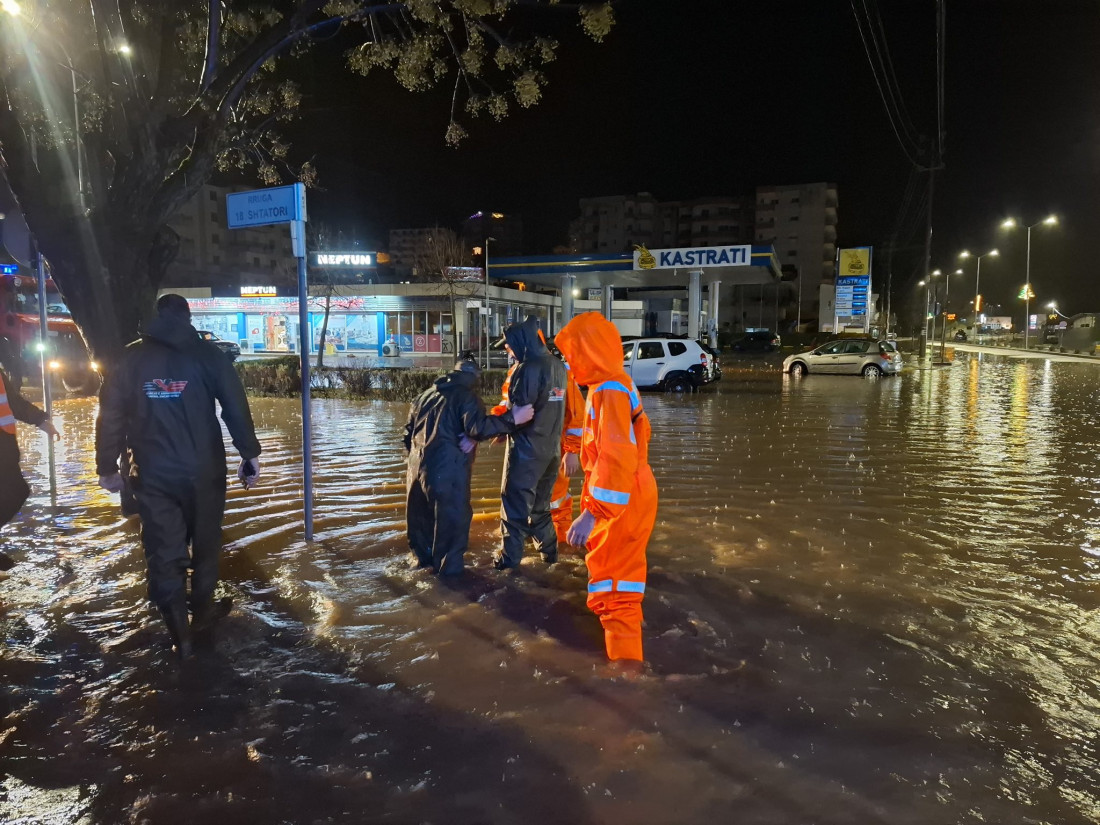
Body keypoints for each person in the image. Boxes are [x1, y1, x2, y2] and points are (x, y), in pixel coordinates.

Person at [95, 293, 261, 658]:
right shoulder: (209, 355)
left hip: (152, 473)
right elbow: (235, 406)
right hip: (205, 471)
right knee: (205, 545)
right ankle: (201, 616)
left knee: (164, 551)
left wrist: (106, 467)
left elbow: (110, 418)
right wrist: (249, 454)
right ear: (187, 317)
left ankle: (179, 636)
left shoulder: (128, 359)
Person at [555, 312, 658, 664]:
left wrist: (590, 515)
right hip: (630, 492)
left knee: (615, 591)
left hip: (621, 498)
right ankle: (629, 648)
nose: (569, 363)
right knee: (621, 582)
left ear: (589, 352)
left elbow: (615, 457)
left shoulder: (608, 391)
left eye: (572, 355)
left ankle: (626, 677)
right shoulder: (614, 382)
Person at [403, 359, 533, 575]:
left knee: (421, 532)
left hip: (415, 473)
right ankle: (450, 587)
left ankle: (422, 570)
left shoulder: (424, 395)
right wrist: (513, 418)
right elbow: (476, 428)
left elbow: (407, 434)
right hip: (448, 473)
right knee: (452, 531)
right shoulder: (466, 396)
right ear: (475, 377)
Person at [493, 316, 567, 570]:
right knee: (540, 509)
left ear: (522, 342)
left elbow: (520, 414)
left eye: (510, 344)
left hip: (525, 453)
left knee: (513, 511)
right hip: (551, 451)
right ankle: (551, 558)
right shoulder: (558, 366)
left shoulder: (526, 369)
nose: (507, 349)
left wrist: (499, 428)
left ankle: (508, 565)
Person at [1, 361, 60, 573]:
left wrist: (42, 421)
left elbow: (12, 402)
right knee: (16, 491)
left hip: (3, 448)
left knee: (17, 491)